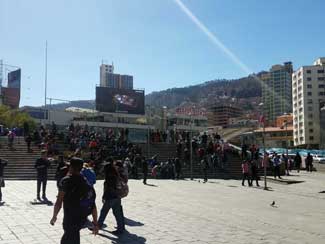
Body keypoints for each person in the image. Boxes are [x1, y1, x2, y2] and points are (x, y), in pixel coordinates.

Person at [50, 157, 99, 244]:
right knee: (73, 236)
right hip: (82, 218)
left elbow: (59, 201)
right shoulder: (86, 181)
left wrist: (54, 216)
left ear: (71, 167)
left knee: (68, 238)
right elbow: (92, 203)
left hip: (70, 218)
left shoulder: (66, 181)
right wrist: (95, 223)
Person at [97, 163, 125, 235]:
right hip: (117, 197)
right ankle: (120, 229)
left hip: (110, 197)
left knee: (103, 212)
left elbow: (108, 189)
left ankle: (98, 226)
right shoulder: (116, 176)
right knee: (117, 214)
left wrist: (104, 197)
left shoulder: (109, 177)